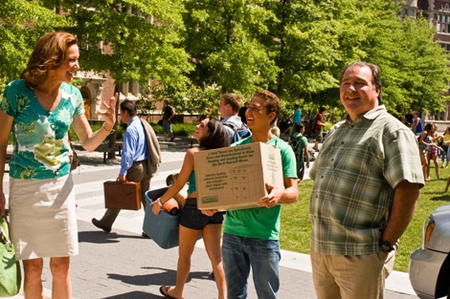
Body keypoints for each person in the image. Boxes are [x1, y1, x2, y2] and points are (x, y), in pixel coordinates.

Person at [0, 31, 116, 299]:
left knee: (61, 266)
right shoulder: (16, 92)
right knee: (32, 268)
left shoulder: (73, 95)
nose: (77, 66)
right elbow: (0, 141)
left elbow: (87, 142)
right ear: (53, 60)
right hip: (25, 190)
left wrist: (108, 127)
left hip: (60, 190)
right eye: (72, 60)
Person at [309, 61, 424, 299]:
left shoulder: (392, 131)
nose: (350, 89)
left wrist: (385, 245)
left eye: (360, 83)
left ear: (377, 90)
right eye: (345, 83)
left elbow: (408, 190)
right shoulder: (337, 130)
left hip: (360, 254)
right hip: (321, 250)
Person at [222, 90, 299, 299]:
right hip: (232, 234)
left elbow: (294, 191)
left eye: (256, 109)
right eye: (249, 107)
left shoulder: (282, 150)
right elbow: (227, 189)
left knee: (267, 295)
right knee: (235, 295)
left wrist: (279, 195)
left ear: (271, 115)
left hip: (263, 237)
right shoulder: (237, 147)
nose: (249, 112)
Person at [151, 117, 230, 299]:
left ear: (210, 134)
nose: (196, 126)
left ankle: (178, 292)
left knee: (185, 255)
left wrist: (160, 202)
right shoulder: (222, 155)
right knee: (216, 258)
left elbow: (179, 184)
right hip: (215, 209)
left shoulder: (193, 153)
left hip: (194, 207)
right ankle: (222, 296)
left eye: (201, 126)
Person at [92, 99, 161, 233]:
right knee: (145, 198)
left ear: (125, 112)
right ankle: (152, 228)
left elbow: (128, 153)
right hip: (146, 165)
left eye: (120, 113)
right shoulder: (141, 124)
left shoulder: (130, 129)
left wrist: (123, 172)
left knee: (120, 193)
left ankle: (106, 223)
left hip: (135, 167)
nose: (120, 116)